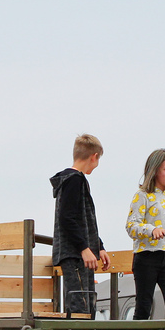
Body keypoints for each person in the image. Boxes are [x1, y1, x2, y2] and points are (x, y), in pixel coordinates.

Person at [50, 134, 111, 316]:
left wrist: (98, 247)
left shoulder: (75, 180)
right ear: (94, 157)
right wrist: (84, 248)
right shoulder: (74, 180)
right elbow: (66, 218)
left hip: (80, 254)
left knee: (85, 303)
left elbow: (85, 221)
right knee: (80, 306)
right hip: (74, 255)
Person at [125, 148, 165, 319]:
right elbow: (131, 226)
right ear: (155, 170)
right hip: (147, 257)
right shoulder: (142, 196)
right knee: (144, 308)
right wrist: (152, 230)